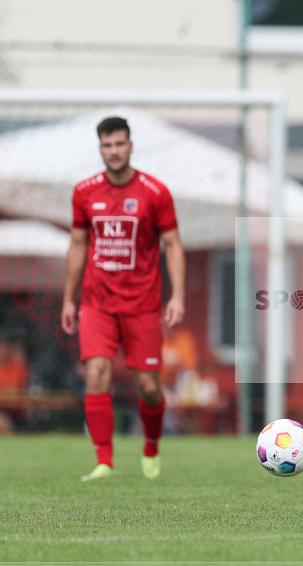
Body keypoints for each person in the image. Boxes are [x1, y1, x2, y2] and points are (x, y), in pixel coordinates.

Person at [61, 116, 185, 482]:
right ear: (100, 148)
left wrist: (177, 296)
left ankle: (151, 446)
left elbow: (173, 244)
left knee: (149, 386)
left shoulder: (155, 192)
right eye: (107, 145)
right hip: (97, 302)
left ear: (130, 146)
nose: (114, 151)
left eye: (119, 144)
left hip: (142, 304)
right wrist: (69, 299)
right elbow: (78, 244)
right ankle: (104, 460)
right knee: (96, 372)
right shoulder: (84, 192)